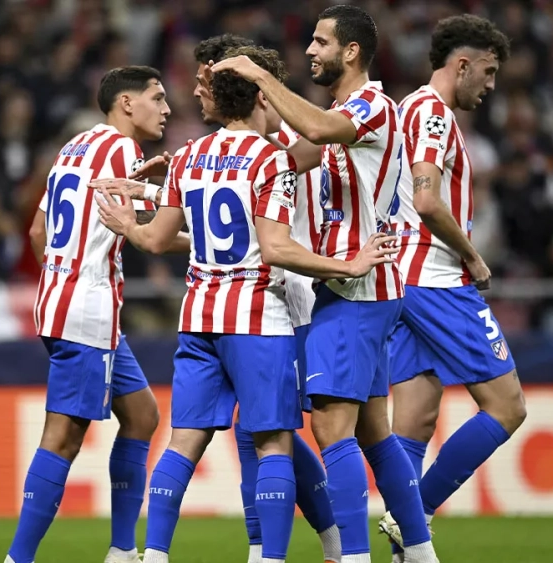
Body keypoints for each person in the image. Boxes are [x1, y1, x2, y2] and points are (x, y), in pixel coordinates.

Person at [96, 45, 395, 563]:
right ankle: (276, 555)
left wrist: (131, 219)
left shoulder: (188, 156)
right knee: (275, 440)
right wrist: (348, 265)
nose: (192, 94)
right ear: (260, 95)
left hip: (199, 315)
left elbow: (159, 238)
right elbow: (275, 245)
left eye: (203, 86)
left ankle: (154, 553)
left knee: (184, 441)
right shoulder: (275, 158)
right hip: (264, 311)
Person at [211, 5, 437, 562]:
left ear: (351, 51)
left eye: (319, 42)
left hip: (352, 291)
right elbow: (287, 159)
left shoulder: (373, 108)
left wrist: (262, 77)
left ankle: (353, 556)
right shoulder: (339, 114)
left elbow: (315, 129)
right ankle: (422, 553)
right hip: (359, 292)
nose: (309, 51)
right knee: (374, 436)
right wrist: (188, 173)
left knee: (333, 432)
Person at [4, 65, 170, 563]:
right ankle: (18, 559)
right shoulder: (124, 151)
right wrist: (166, 194)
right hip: (86, 307)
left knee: (142, 415)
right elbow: (147, 226)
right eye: (157, 98)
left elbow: (36, 231)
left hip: (62, 297)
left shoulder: (71, 149)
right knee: (63, 436)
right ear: (125, 103)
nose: (165, 109)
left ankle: (122, 550)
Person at [380, 15, 525, 560]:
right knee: (508, 408)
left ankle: (406, 551)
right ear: (460, 64)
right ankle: (410, 518)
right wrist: (472, 256)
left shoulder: (412, 108)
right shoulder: (433, 114)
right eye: (487, 72)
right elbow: (426, 200)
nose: (490, 85)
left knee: (415, 415)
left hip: (403, 279)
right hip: (436, 278)